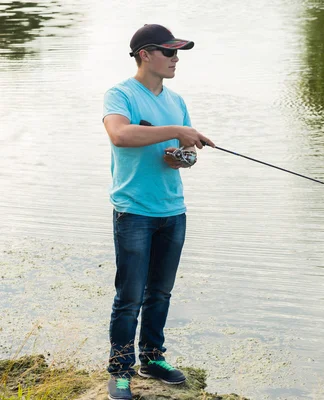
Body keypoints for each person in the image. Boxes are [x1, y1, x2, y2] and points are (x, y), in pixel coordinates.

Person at [102, 23, 214, 400]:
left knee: (160, 293)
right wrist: (176, 131)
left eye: (178, 52)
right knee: (129, 295)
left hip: (173, 210)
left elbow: (183, 156)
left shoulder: (176, 100)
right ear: (145, 54)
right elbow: (120, 135)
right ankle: (120, 370)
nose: (176, 58)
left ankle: (152, 357)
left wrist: (181, 156)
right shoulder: (120, 95)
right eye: (169, 52)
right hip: (133, 211)